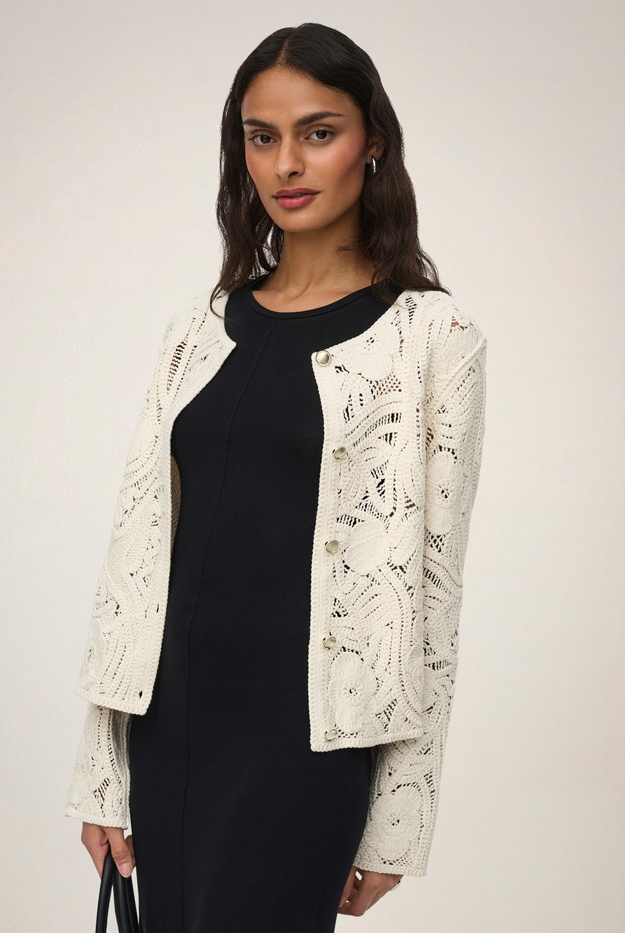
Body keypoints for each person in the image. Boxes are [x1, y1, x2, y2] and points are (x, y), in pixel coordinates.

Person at [65, 22, 487, 932]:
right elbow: (132, 564)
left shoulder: (431, 339)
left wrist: (399, 821)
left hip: (307, 742)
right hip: (171, 727)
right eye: (263, 137)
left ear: (373, 143)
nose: (287, 163)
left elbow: (433, 593)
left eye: (318, 132)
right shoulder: (197, 328)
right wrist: (101, 766)